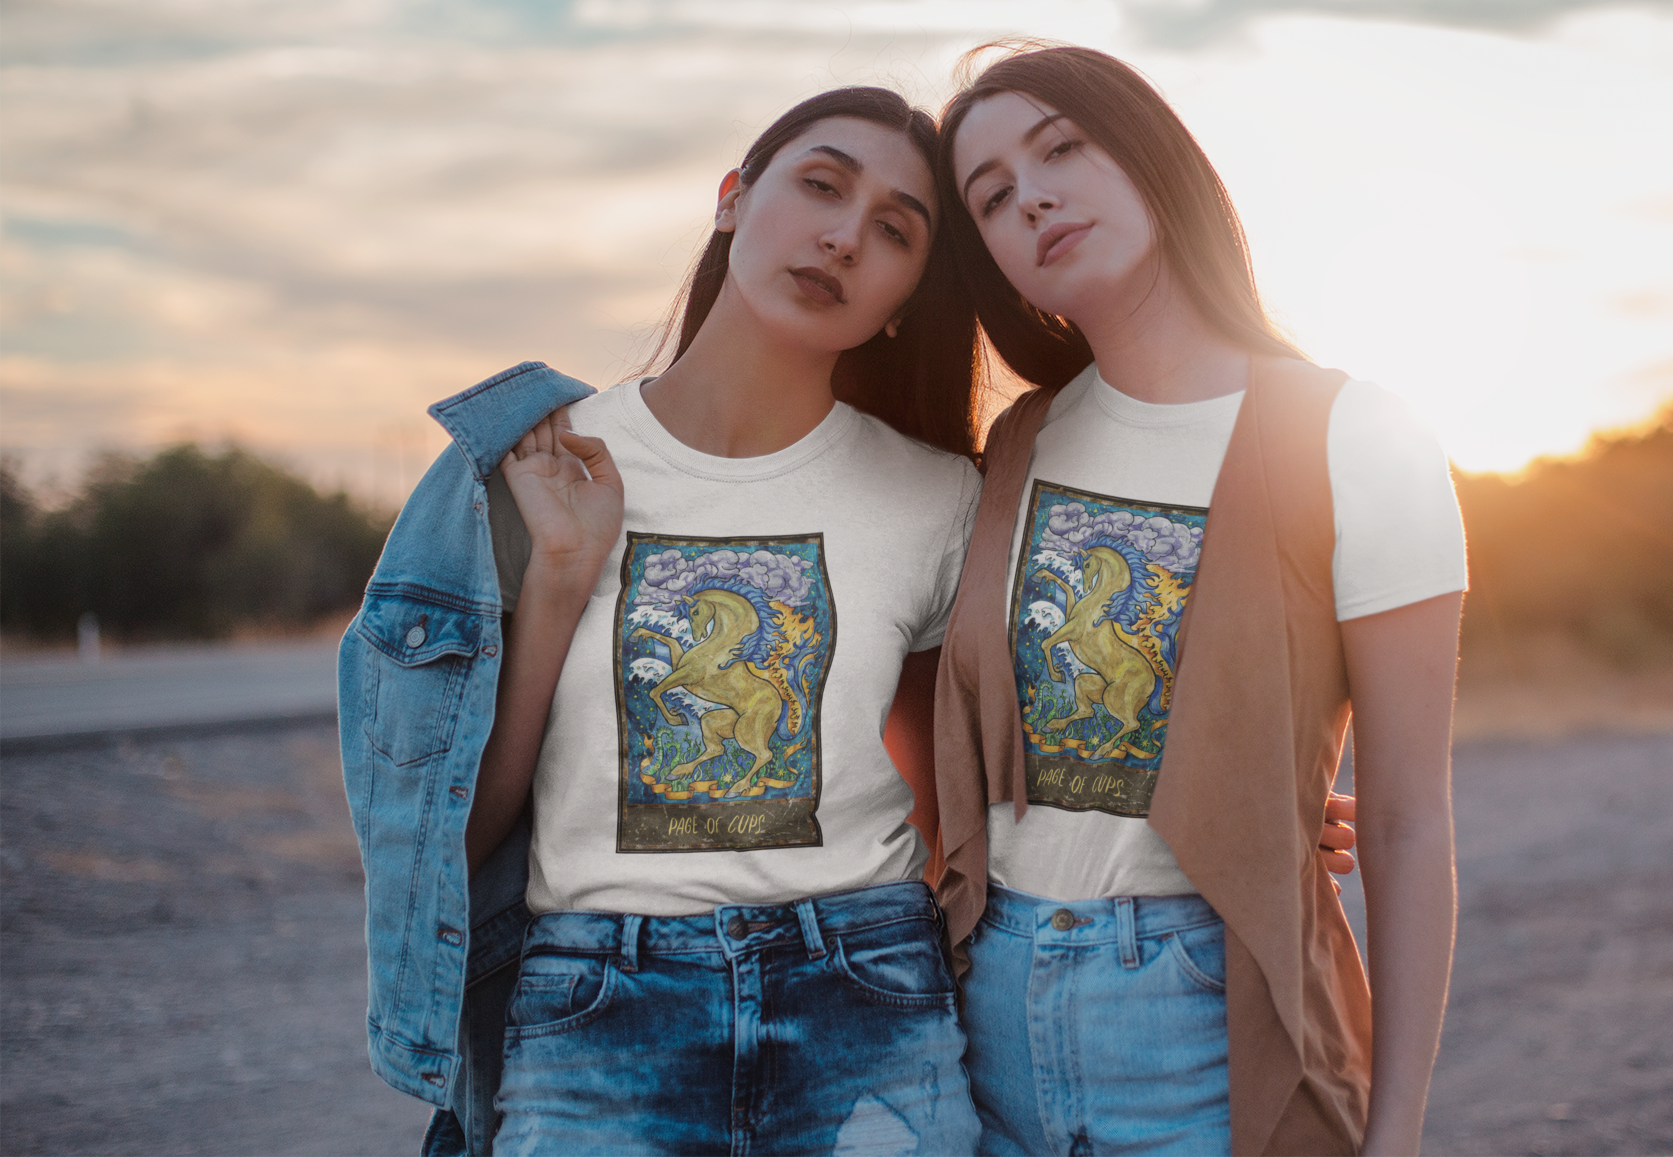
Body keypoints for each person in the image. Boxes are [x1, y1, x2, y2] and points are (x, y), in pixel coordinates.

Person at [340, 79, 1362, 1157]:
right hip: (597, 1013)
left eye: (893, 233)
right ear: (733, 197)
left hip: (867, 1000)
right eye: (820, 187)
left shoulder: (939, 498)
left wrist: (1253, 794)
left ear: (908, 296)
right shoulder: (536, 467)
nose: (841, 238)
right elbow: (446, 838)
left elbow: (973, 785)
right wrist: (555, 579)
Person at [931, 44, 1467, 1157]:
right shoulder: (1015, 447)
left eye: (1060, 148)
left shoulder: (1352, 434)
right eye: (990, 198)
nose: (1030, 195)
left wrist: (1399, 1130)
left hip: (1207, 1020)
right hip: (988, 1020)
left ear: (1152, 155)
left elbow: (1411, 818)